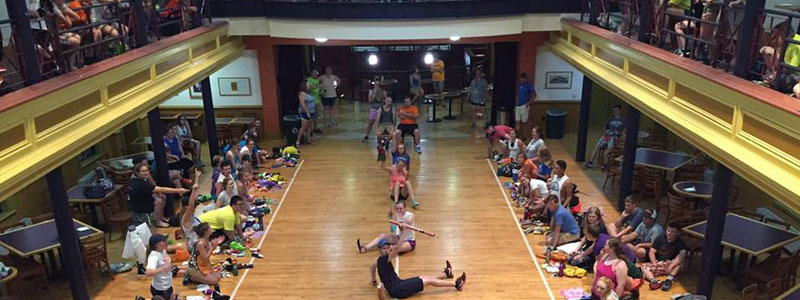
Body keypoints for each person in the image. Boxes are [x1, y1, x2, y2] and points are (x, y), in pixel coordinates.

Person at [370, 224, 466, 299]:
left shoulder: (379, 261)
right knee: (428, 281)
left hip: (398, 285)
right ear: (379, 250)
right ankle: (456, 284)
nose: (386, 250)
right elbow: (398, 248)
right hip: (399, 290)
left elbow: (372, 267)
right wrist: (404, 232)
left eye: (387, 248)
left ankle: (445, 274)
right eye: (384, 248)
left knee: (423, 277)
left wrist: (374, 281)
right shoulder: (385, 259)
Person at [129, 161, 188, 227]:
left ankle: (161, 217)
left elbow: (153, 187)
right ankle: (158, 221)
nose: (146, 173)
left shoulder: (137, 179)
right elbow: (162, 189)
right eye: (143, 171)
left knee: (162, 196)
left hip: (142, 204)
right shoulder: (140, 184)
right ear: (137, 173)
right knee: (158, 201)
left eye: (147, 170)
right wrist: (179, 190)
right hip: (143, 211)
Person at [642, 223, 687, 291]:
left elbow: (682, 255)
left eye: (672, 232)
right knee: (643, 267)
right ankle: (653, 281)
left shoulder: (680, 242)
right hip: (659, 263)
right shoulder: (660, 238)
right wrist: (654, 264)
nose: (669, 233)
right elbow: (652, 251)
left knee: (681, 262)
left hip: (670, 264)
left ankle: (669, 280)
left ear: (677, 233)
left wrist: (671, 266)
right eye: (668, 231)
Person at [146, 234, 181, 300]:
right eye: (163, 241)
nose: (166, 242)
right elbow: (148, 272)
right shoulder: (154, 257)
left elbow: (169, 250)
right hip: (161, 289)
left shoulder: (162, 251)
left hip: (167, 285)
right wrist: (163, 268)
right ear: (157, 245)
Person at [180, 169, 203, 252]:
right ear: (185, 207)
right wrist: (193, 190)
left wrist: (197, 178)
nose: (195, 207)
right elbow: (191, 205)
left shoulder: (191, 215)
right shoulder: (186, 218)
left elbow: (194, 199)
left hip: (199, 243)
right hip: (194, 246)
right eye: (194, 206)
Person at [364, 78, 387, 143]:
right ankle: (366, 135)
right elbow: (369, 101)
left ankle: (381, 136)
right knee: (371, 122)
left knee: (381, 122)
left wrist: (381, 100)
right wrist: (373, 97)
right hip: (374, 108)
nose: (377, 86)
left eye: (378, 84)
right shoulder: (371, 91)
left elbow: (386, 100)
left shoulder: (383, 91)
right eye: (376, 84)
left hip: (381, 108)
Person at [297, 81, 315, 147]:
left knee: (309, 127)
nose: (309, 84)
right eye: (308, 84)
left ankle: (308, 140)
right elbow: (302, 103)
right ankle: (298, 141)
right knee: (304, 127)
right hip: (305, 112)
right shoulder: (302, 93)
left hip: (311, 112)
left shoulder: (309, 93)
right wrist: (307, 112)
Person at [307, 69, 323, 134]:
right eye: (315, 73)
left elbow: (317, 89)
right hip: (311, 101)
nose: (316, 74)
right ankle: (310, 129)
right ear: (311, 73)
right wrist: (316, 86)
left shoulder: (317, 80)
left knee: (316, 115)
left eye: (317, 73)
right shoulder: (309, 80)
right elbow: (308, 89)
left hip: (317, 100)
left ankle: (316, 128)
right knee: (311, 116)